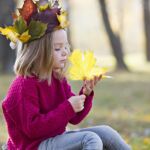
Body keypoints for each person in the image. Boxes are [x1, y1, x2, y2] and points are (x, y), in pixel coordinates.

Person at [1, 0, 132, 149]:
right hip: (32, 145)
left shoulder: (57, 78)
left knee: (106, 132)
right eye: (57, 48)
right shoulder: (24, 84)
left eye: (66, 46)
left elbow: (74, 118)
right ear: (38, 52)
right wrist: (68, 107)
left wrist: (86, 94)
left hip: (55, 139)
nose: (65, 52)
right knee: (90, 139)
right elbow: (33, 129)